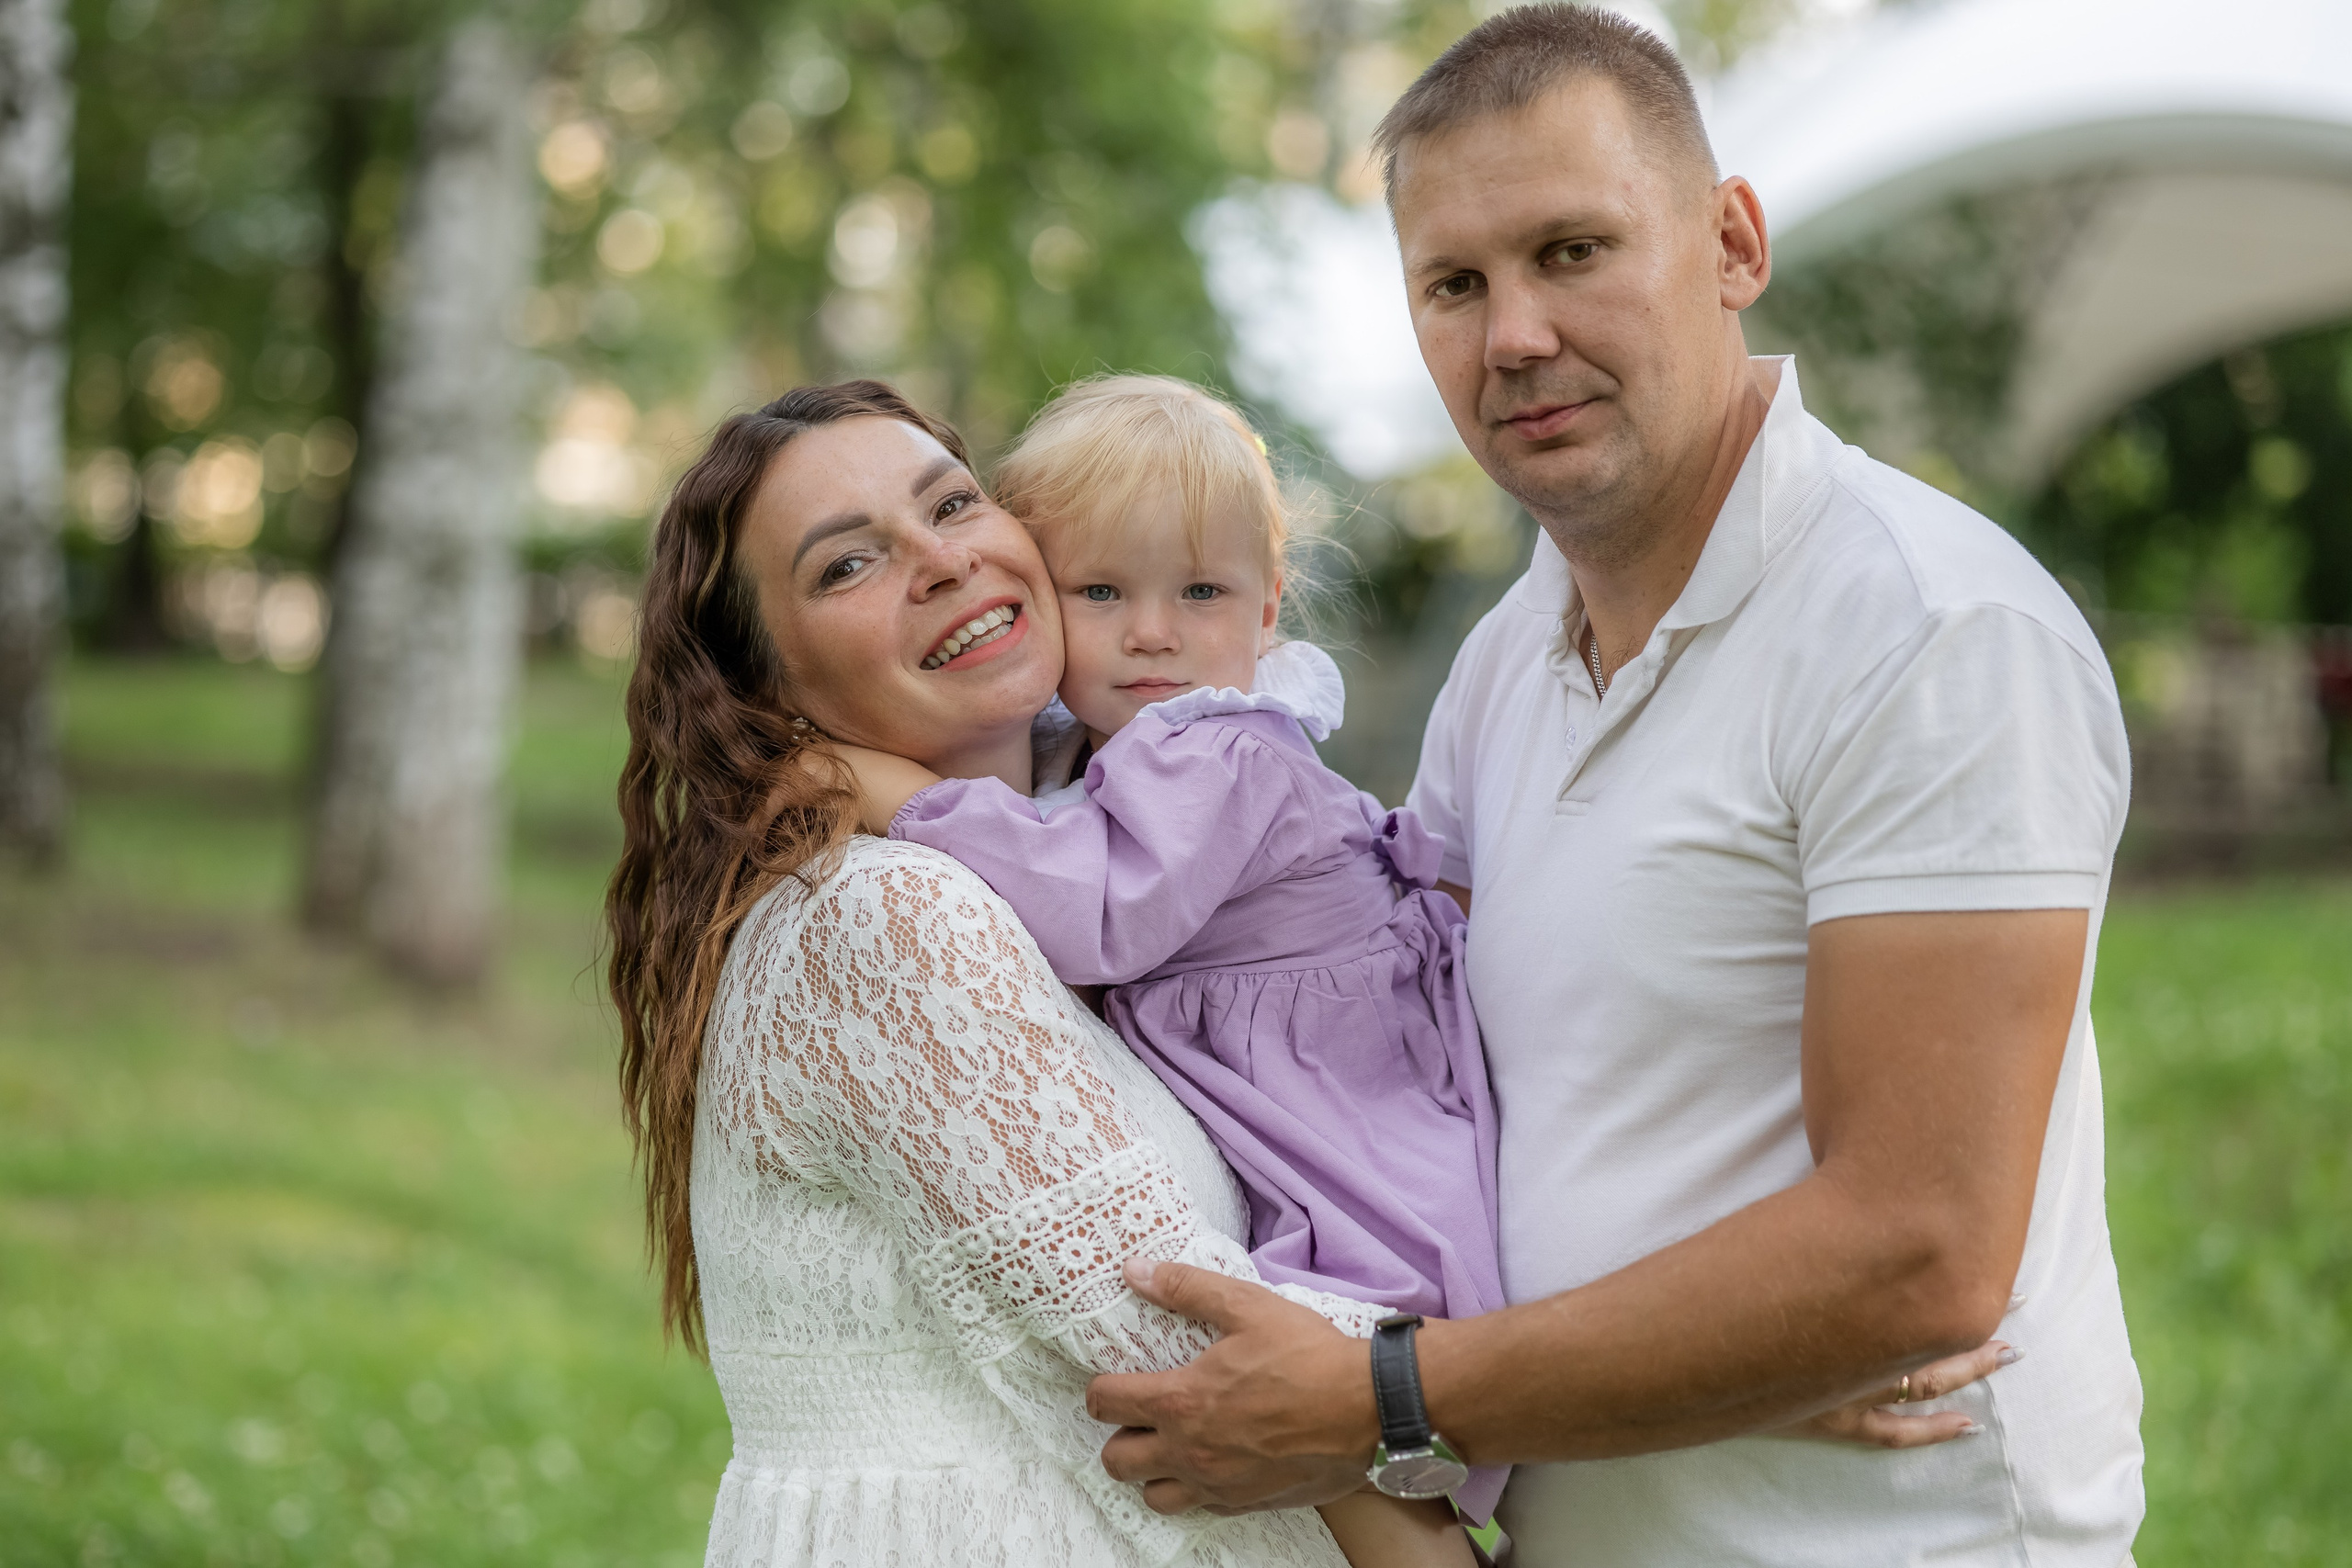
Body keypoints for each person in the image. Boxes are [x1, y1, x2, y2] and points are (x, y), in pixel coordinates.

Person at [604, 378, 2003, 1568]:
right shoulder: (892, 917)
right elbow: (1200, 1344)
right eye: (846, 563)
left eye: (953, 503)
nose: (943, 557)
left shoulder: (1077, 813)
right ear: (766, 690)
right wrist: (1698, 1372)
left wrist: (1711, 1357)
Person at [1082, 8, 2145, 1567]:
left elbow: (1916, 1256)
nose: (1512, 334)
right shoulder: (1508, 663)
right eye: (1455, 284)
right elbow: (1385, 1049)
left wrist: (1388, 1395)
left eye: (1572, 250)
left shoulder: (1931, 632)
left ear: (1731, 243)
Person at [836, 374, 1509, 1558]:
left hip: (1342, 1091)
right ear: (1040, 597)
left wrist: (892, 795)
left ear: (1267, 610)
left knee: (1329, 1351)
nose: (1153, 632)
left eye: (1201, 591)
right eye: (1101, 590)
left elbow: (1097, 910)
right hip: (1280, 1071)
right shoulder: (1100, 736)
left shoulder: (1223, 747)